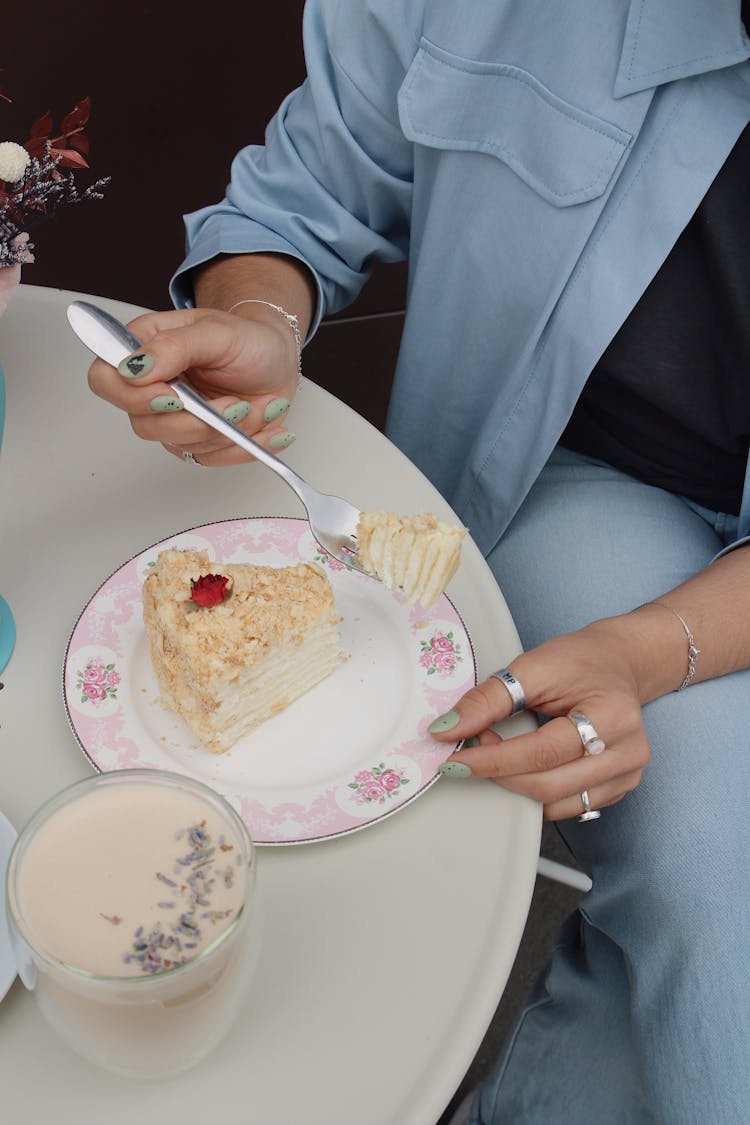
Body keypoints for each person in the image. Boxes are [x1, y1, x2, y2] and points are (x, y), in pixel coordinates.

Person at [88, 3, 750, 1122]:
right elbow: (307, 194)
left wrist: (651, 654)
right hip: (588, 490)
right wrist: (259, 313)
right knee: (709, 882)